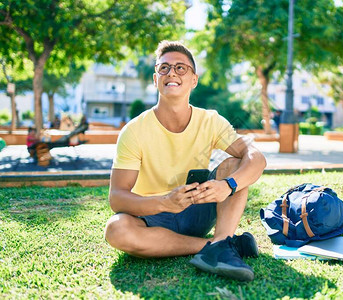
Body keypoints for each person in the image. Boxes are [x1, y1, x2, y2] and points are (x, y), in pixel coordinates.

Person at [104, 41, 266, 282]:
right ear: (155, 78)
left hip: (198, 211)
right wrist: (165, 202)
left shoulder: (210, 120)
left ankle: (221, 242)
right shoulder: (134, 130)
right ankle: (219, 245)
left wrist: (227, 185)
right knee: (116, 229)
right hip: (152, 217)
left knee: (234, 163)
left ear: (194, 79)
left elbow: (256, 158)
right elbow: (117, 197)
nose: (172, 73)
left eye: (181, 68)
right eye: (164, 68)